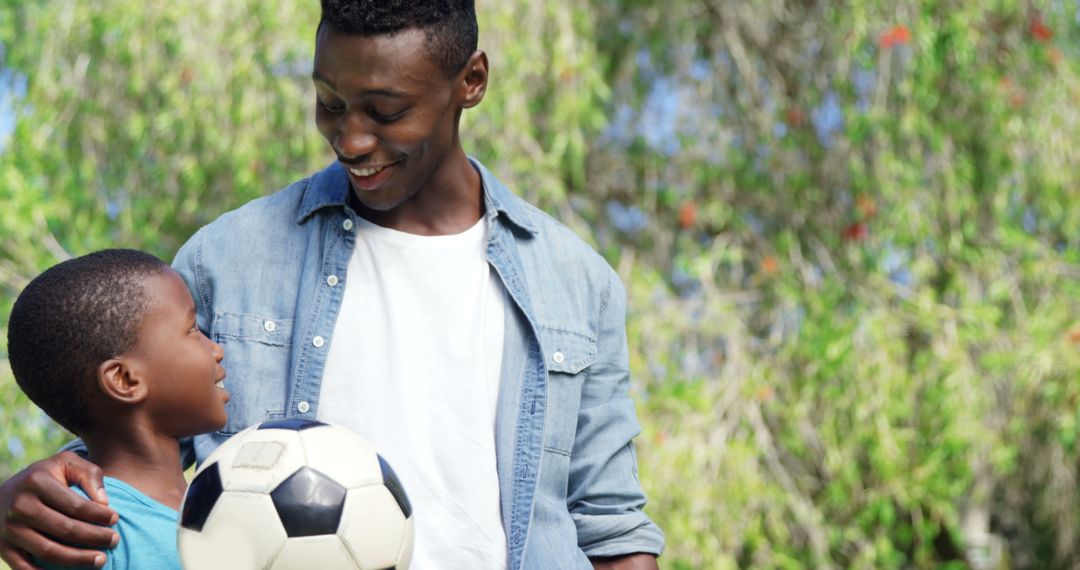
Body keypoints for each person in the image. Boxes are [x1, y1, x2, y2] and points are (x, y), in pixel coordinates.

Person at [0, 1, 664, 568]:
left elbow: (611, 524)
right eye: (330, 103)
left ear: (472, 81)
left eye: (385, 110)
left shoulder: (576, 282)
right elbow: (135, 427)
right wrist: (27, 497)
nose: (349, 138)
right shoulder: (231, 254)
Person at [4, 249, 229, 569]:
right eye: (192, 329)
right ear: (125, 380)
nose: (216, 349)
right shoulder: (85, 526)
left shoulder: (226, 510)